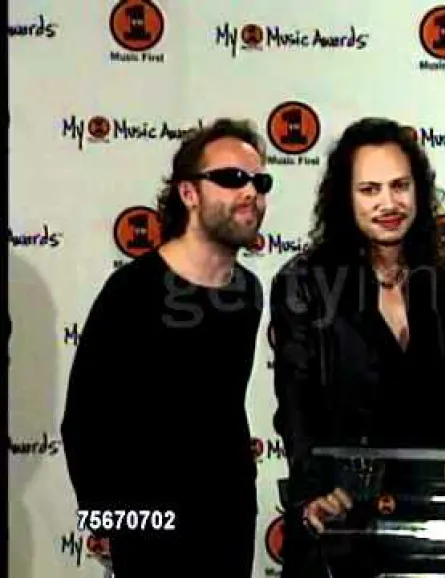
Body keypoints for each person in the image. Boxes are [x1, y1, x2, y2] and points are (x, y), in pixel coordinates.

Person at [270, 118, 445, 577]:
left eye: (400, 186)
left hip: (427, 519)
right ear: (345, 198)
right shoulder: (304, 281)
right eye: (370, 190)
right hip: (339, 520)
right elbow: (296, 405)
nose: (388, 203)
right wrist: (316, 492)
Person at [60, 118, 271, 578]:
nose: (250, 192)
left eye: (260, 182)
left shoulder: (249, 292)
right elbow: (84, 418)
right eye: (231, 178)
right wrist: (108, 522)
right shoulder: (131, 291)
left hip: (229, 519)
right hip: (148, 526)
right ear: (188, 193)